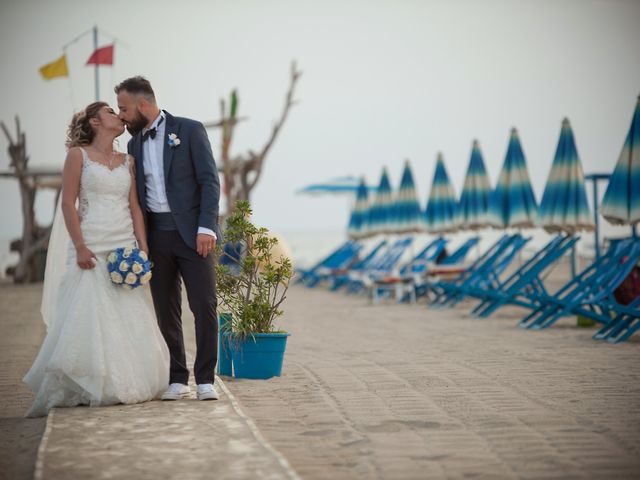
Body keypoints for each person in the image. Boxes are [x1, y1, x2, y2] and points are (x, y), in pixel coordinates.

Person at [23, 102, 170, 417]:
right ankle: (87, 382)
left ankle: (128, 379)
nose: (119, 115)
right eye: (111, 111)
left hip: (123, 243)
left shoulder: (128, 160)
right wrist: (80, 246)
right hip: (91, 242)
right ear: (95, 120)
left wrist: (142, 248)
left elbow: (134, 207)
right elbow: (67, 203)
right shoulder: (78, 156)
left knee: (129, 312)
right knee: (88, 311)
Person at [115, 77, 221, 401]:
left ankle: (206, 379)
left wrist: (207, 227)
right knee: (165, 308)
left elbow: (209, 181)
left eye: (124, 108)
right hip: (156, 237)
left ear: (143, 105)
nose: (121, 116)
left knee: (204, 305)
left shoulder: (189, 130)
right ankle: (178, 377)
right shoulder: (133, 146)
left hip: (193, 234)